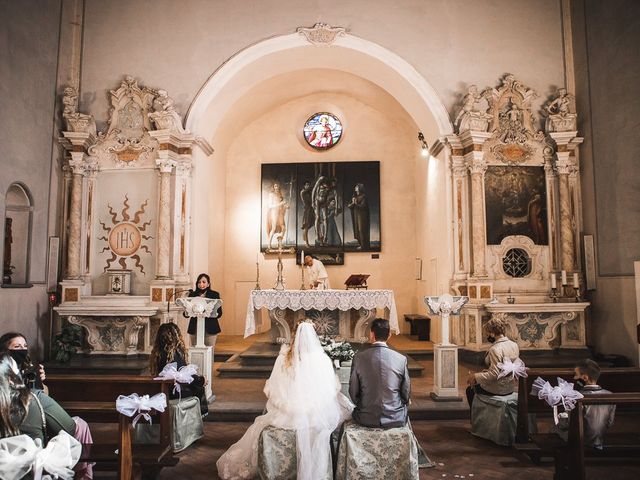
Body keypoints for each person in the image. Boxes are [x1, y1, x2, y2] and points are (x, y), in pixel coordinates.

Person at [216, 321, 352, 480]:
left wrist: (288, 403)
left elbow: (272, 390)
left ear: (293, 336)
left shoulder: (283, 359)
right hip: (315, 413)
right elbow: (331, 389)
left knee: (265, 419)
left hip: (288, 414)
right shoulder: (322, 359)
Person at [349, 318, 410, 428]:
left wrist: (364, 406)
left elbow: (353, 391)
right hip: (395, 417)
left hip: (365, 417)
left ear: (371, 334)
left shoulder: (359, 358)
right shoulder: (401, 359)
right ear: (389, 336)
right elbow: (406, 393)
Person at [150, 322, 207, 415]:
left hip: (162, 389)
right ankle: (196, 420)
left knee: (197, 383)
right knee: (199, 387)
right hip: (173, 393)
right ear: (176, 336)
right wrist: (201, 380)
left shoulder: (157, 353)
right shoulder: (174, 353)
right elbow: (181, 376)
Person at [465, 317, 519, 408]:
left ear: (492, 333)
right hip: (509, 387)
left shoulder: (495, 349)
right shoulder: (514, 345)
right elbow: (504, 369)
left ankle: (479, 418)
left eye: (488, 333)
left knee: (470, 390)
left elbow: (494, 374)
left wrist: (475, 376)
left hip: (498, 389)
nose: (488, 336)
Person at [571, 359, 615, 448]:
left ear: (584, 378)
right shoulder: (610, 395)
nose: (574, 378)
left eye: (576, 375)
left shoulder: (578, 396)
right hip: (601, 439)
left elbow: (572, 425)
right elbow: (610, 422)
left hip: (582, 443)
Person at [185, 273, 223, 348]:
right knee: (194, 349)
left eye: (204, 282)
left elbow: (219, 313)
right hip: (194, 328)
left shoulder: (214, 295)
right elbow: (185, 314)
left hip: (210, 328)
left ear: (208, 284)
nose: (201, 284)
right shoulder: (192, 295)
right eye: (199, 282)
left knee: (209, 350)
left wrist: (206, 312)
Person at [347, 183, 370, 250]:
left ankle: (364, 246)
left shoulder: (363, 197)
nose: (355, 187)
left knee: (361, 230)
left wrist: (356, 204)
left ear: (360, 188)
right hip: (356, 216)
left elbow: (363, 206)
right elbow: (349, 206)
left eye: (356, 186)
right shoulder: (354, 196)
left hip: (362, 216)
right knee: (357, 230)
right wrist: (353, 203)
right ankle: (361, 244)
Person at [266, 182, 288, 249]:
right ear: (273, 187)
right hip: (274, 212)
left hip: (280, 212)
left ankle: (279, 242)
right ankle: (269, 244)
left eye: (278, 186)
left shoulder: (280, 195)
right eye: (275, 186)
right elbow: (270, 206)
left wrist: (286, 206)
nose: (277, 187)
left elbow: (282, 204)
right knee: (273, 228)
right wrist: (280, 204)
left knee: (283, 228)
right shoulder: (271, 195)